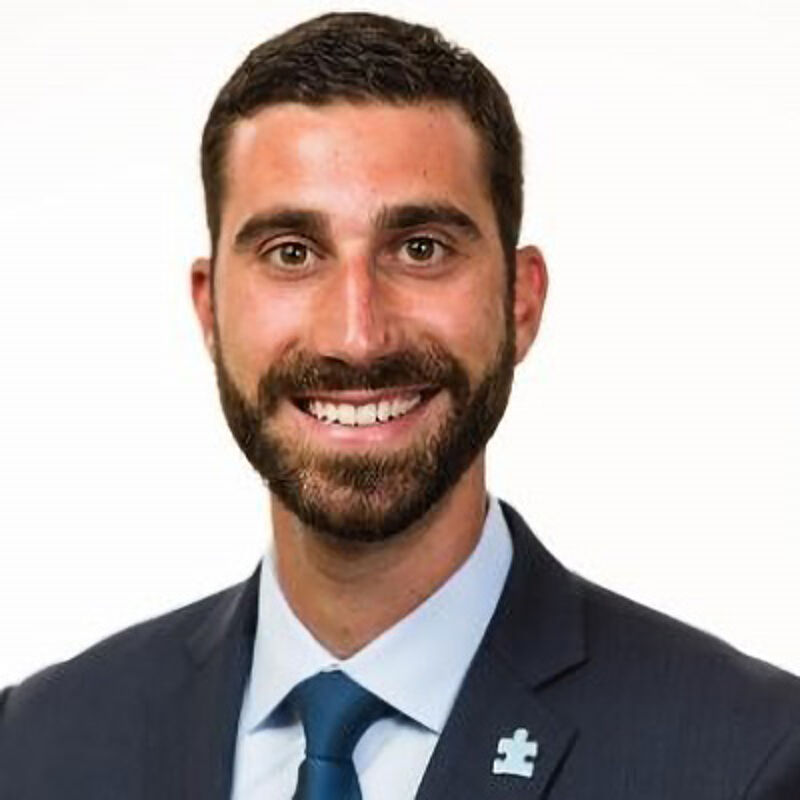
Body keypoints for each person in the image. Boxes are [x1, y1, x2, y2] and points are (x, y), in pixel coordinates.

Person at [1, 11, 799, 799]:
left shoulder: (750, 758)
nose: (356, 336)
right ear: (210, 309)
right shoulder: (33, 747)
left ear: (520, 301)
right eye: (291, 253)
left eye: (421, 249)